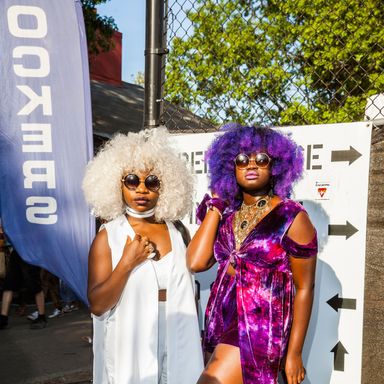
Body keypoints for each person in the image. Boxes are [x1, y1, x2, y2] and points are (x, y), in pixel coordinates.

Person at [188, 124, 317, 384]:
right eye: (241, 160)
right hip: (220, 322)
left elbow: (305, 287)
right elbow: (196, 262)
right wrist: (216, 204)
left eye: (261, 159)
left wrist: (294, 353)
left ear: (276, 167)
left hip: (261, 327)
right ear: (229, 167)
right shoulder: (226, 216)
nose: (251, 165)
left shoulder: (291, 216)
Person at [82, 128, 204, 384]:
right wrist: (127, 262)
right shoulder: (109, 236)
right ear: (118, 183)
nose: (141, 189)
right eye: (131, 180)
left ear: (165, 186)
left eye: (152, 182)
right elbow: (97, 304)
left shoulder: (178, 231)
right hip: (130, 340)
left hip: (178, 335)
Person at [0, 248, 47, 330]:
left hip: (30, 251)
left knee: (35, 285)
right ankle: (3, 319)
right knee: (8, 284)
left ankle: (42, 317)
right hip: (16, 252)